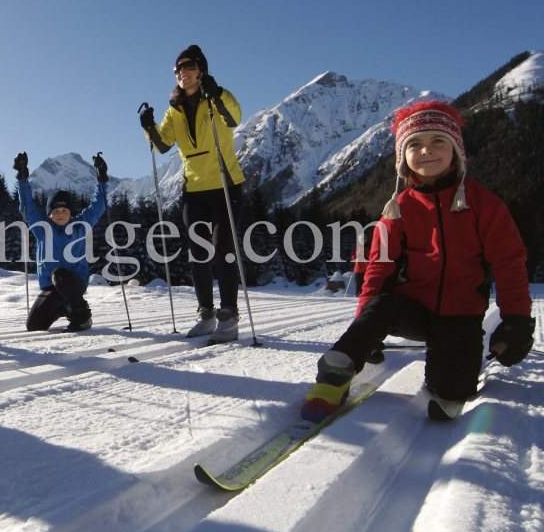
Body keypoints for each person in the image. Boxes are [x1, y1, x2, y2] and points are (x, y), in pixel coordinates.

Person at [301, 100, 535, 421]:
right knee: (380, 306)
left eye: (438, 140)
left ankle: (451, 381)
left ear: (455, 150)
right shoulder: (397, 209)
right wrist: (365, 329)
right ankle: (334, 374)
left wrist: (516, 322)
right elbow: (378, 271)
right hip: (413, 310)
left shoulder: (484, 204)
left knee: (450, 392)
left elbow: (509, 263)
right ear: (403, 159)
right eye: (415, 144)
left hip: (460, 316)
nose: (426, 151)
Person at [139, 45, 245, 341]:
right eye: (177, 69)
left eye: (187, 66)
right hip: (194, 191)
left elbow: (233, 118)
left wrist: (218, 94)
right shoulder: (174, 108)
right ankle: (206, 315)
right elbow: (163, 144)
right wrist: (149, 127)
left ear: (201, 70)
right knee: (198, 254)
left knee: (223, 249)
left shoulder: (219, 96)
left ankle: (228, 317)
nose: (182, 72)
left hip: (226, 185)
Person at [14, 152, 107, 332]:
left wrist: (101, 179)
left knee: (60, 274)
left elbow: (99, 206)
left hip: (74, 283)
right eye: (56, 211)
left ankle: (82, 316)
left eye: (65, 210)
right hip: (52, 287)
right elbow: (26, 207)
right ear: (49, 214)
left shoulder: (80, 226)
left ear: (71, 213)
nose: (61, 214)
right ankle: (65, 307)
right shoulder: (42, 228)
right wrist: (22, 176)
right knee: (34, 326)